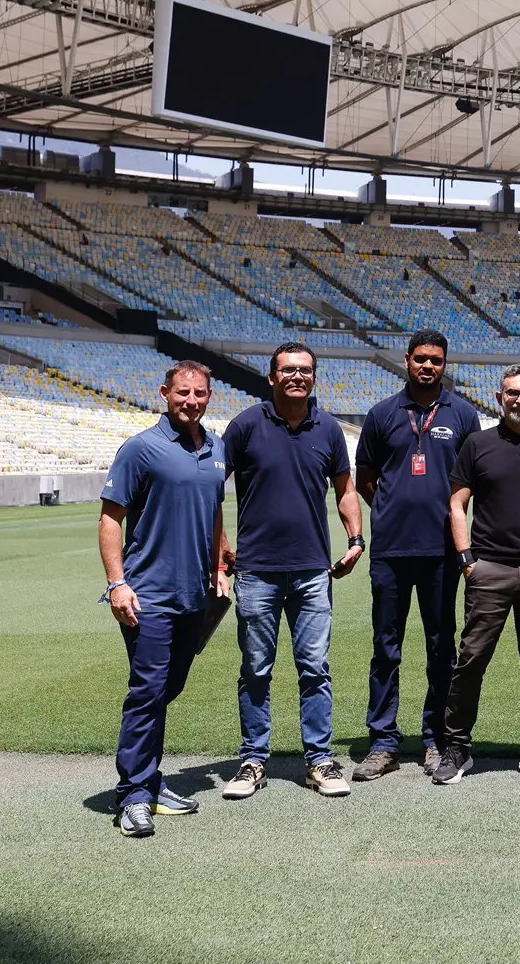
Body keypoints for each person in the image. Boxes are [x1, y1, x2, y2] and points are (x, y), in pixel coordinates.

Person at [220, 342, 364, 800]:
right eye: (288, 370)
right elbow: (209, 488)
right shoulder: (245, 425)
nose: (297, 377)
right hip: (257, 571)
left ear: (314, 377)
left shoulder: (329, 430)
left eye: (305, 370)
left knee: (314, 668)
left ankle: (319, 760)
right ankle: (253, 761)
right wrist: (222, 548)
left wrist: (356, 539)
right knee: (256, 669)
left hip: (311, 571)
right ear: (272, 377)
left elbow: (345, 490)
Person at [98, 361, 230, 837]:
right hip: (147, 596)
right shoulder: (140, 449)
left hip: (195, 597)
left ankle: (150, 780)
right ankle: (133, 794)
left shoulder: (217, 449)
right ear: (164, 393)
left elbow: (214, 509)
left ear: (209, 396)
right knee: (148, 691)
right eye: (182, 393)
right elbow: (111, 519)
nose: (190, 401)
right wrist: (117, 583)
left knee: (169, 689)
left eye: (199, 394)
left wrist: (218, 563)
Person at [432, 365, 520, 785]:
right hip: (489, 569)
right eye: (512, 393)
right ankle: (457, 747)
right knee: (472, 659)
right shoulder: (477, 444)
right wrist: (467, 559)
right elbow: (456, 504)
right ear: (500, 398)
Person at [351, 330, 481, 782]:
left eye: (437, 360)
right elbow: (366, 477)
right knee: (385, 648)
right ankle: (384, 742)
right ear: (407, 360)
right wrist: (389, 509)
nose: (428, 366)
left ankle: (436, 739)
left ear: (445, 364)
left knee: (441, 648)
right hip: (391, 550)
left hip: (442, 551)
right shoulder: (383, 413)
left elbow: (469, 484)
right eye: (421, 358)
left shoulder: (463, 415)